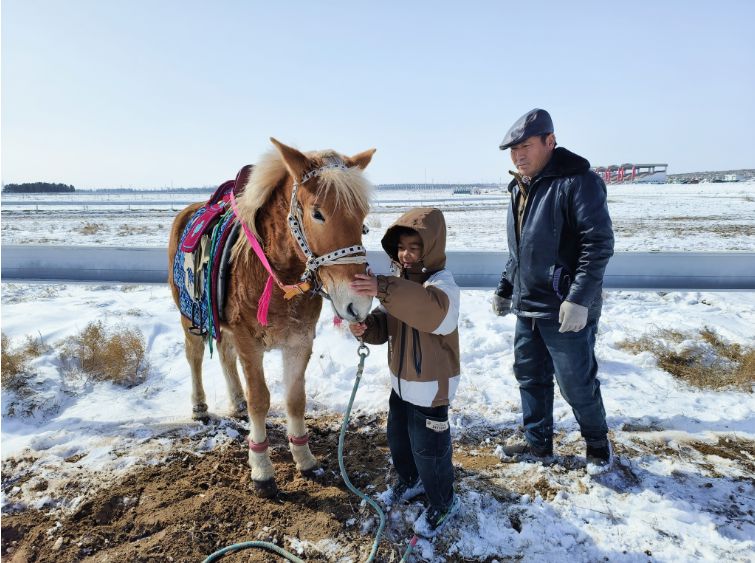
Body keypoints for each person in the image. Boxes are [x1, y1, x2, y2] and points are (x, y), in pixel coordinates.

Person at [493, 108, 615, 467]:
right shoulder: (519, 188)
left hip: (565, 307)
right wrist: (505, 286)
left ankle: (597, 446)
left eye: (526, 146)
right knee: (530, 376)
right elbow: (520, 248)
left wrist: (579, 299)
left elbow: (598, 245)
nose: (519, 156)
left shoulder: (579, 182)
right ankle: (537, 443)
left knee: (576, 382)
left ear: (550, 141)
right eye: (513, 151)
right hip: (527, 305)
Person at [349, 207, 461, 538]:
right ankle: (410, 480)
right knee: (400, 439)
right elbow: (388, 324)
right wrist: (367, 326)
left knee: (431, 451)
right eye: (401, 248)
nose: (406, 255)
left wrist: (383, 288)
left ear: (431, 247)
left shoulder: (443, 285)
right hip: (402, 384)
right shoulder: (398, 285)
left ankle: (444, 502)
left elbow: (431, 313)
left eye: (414, 247)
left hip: (430, 389)